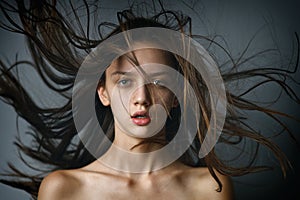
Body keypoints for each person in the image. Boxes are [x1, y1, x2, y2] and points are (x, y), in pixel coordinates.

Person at [0, 1, 299, 199]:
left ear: (177, 97)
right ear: (103, 92)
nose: (141, 99)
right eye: (125, 81)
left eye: (158, 82)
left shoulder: (210, 189)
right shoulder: (64, 190)